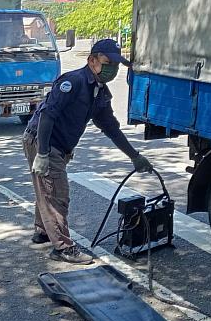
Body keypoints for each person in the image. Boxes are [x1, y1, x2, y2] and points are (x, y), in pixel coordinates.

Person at [23, 39, 153, 264]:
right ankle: (63, 247)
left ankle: (43, 231)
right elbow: (47, 115)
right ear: (92, 60)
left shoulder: (100, 93)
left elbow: (111, 127)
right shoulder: (73, 82)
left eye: (116, 64)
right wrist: (42, 154)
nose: (112, 69)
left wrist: (135, 156)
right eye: (108, 62)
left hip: (59, 146)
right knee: (57, 195)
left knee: (47, 188)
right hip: (43, 141)